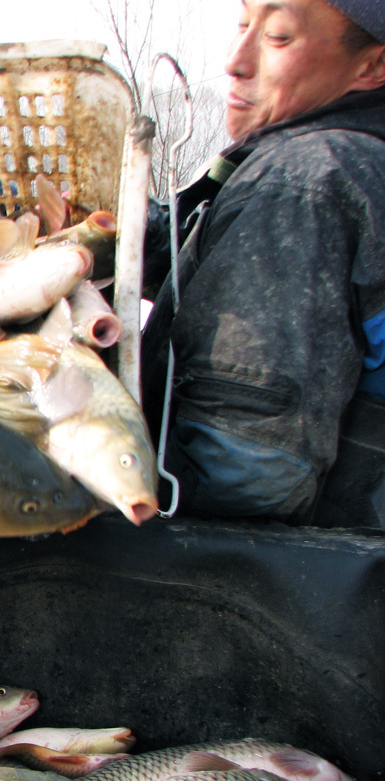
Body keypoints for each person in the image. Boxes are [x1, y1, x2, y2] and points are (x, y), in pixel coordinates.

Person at [141, 0, 385, 528]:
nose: (235, 59)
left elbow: (249, 474)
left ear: (372, 67)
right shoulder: (355, 161)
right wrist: (122, 239)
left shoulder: (306, 178)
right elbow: (234, 274)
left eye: (278, 37)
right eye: (243, 23)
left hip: (278, 586)